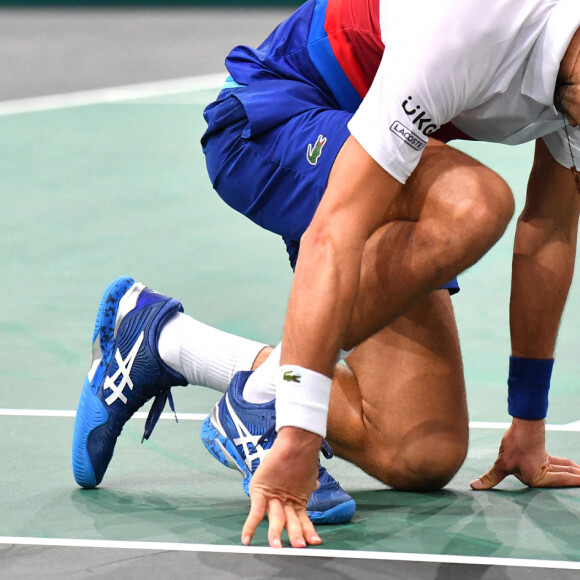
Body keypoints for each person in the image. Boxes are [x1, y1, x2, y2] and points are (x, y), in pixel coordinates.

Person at [72, 0, 580, 550]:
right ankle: (261, 405)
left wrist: (528, 421)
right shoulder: (470, 21)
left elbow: (548, 233)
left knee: (421, 455)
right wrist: (296, 432)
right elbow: (333, 230)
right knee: (472, 204)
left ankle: (164, 340)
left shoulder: (572, 87)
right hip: (272, 119)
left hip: (382, 156)